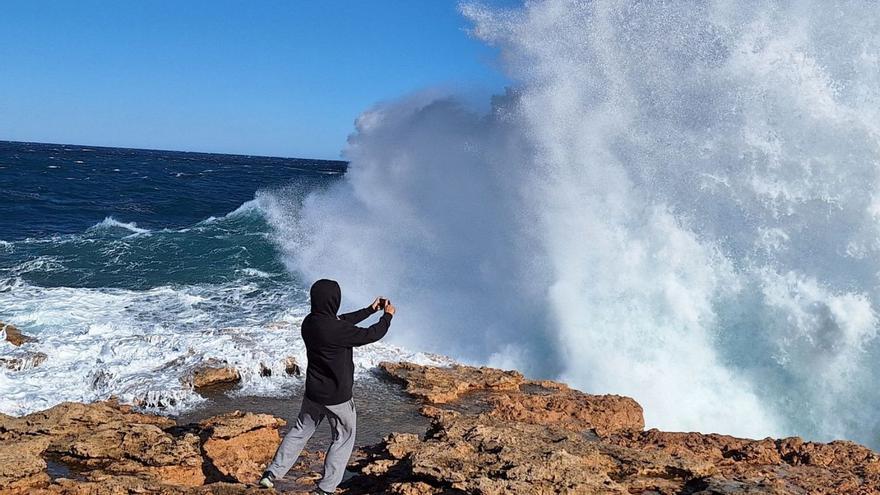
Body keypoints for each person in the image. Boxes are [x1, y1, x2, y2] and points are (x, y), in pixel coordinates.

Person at [259, 278, 395, 493]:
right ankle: (326, 488)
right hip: (338, 398)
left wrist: (370, 310)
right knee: (342, 438)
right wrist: (387, 316)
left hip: (313, 393)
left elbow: (342, 320)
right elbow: (372, 334)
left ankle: (271, 474)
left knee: (300, 431)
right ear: (335, 300)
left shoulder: (309, 322)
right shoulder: (338, 330)